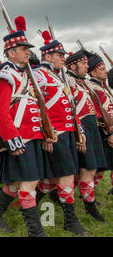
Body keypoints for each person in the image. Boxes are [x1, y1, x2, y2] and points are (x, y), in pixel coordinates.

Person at [0, 16, 49, 237]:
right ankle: (36, 232)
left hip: (32, 135)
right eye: (23, 49)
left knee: (18, 183)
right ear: (11, 52)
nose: (28, 52)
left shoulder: (26, 74)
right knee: (29, 183)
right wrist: (12, 138)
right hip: (18, 138)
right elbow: (1, 111)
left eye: (28, 49)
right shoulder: (5, 75)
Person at [34, 30, 89, 236]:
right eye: (60, 55)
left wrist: (78, 132)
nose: (64, 59)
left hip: (67, 132)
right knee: (65, 176)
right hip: (54, 133)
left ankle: (28, 205)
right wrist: (45, 134)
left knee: (53, 179)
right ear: (47, 56)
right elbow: (36, 106)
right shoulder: (39, 75)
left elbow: (70, 107)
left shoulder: (59, 76)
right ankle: (70, 221)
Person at [66, 50, 108, 222]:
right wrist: (79, 133)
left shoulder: (84, 83)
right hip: (81, 127)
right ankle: (89, 207)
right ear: (73, 65)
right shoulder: (68, 81)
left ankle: (88, 202)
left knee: (90, 169)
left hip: (92, 127)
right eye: (83, 64)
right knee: (87, 170)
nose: (86, 66)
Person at [86, 52, 113, 197]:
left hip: (108, 131)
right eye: (102, 68)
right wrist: (109, 134)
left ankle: (90, 195)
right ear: (93, 71)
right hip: (102, 132)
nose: (106, 71)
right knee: (97, 169)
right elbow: (98, 114)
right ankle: (87, 196)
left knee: (101, 168)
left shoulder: (101, 87)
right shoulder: (93, 88)